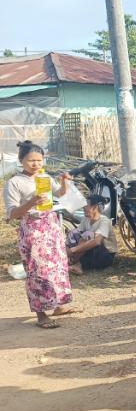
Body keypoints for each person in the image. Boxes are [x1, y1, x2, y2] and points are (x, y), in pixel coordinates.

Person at [4, 141, 78, 329]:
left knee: (57, 267)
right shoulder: (14, 183)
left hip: (51, 227)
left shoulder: (45, 177)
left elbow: (60, 194)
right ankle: (41, 314)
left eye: (39, 160)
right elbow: (12, 214)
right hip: (32, 231)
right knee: (37, 271)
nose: (36, 164)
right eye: (31, 160)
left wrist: (64, 182)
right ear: (21, 160)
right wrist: (32, 201)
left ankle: (58, 305)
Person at [67, 194, 118, 274]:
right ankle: (73, 262)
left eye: (86, 205)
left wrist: (73, 250)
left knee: (90, 238)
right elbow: (77, 235)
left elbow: (97, 241)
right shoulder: (86, 220)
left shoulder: (104, 221)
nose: (83, 208)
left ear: (95, 207)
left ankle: (79, 264)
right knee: (75, 234)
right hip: (89, 252)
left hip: (104, 254)